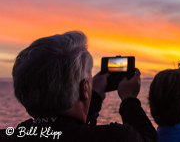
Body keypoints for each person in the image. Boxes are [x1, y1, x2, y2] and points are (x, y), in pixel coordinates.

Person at [0, 31, 157, 142]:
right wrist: (129, 99)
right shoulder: (117, 137)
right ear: (84, 88)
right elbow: (149, 138)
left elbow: (60, 130)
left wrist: (92, 94)